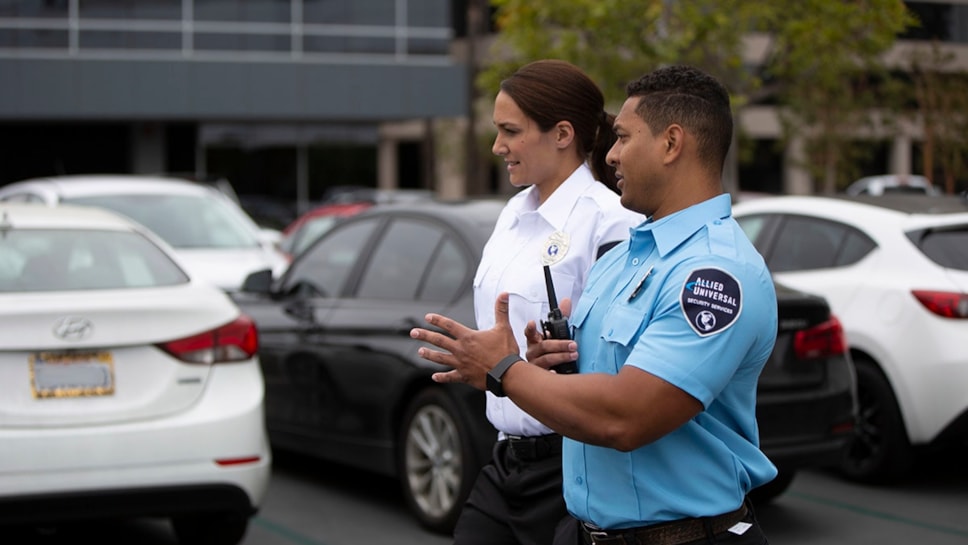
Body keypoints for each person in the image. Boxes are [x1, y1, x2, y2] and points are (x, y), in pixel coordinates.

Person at [410, 64, 778, 545]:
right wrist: (548, 366)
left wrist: (504, 371)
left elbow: (625, 417)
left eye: (624, 137)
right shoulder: (624, 257)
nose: (611, 154)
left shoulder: (714, 276)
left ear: (671, 144)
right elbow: (595, 380)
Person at [456, 59, 643, 545]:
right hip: (504, 457)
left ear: (562, 134)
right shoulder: (514, 215)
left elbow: (623, 361)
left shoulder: (610, 221)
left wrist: (546, 365)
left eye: (510, 132)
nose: (498, 147)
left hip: (572, 467)